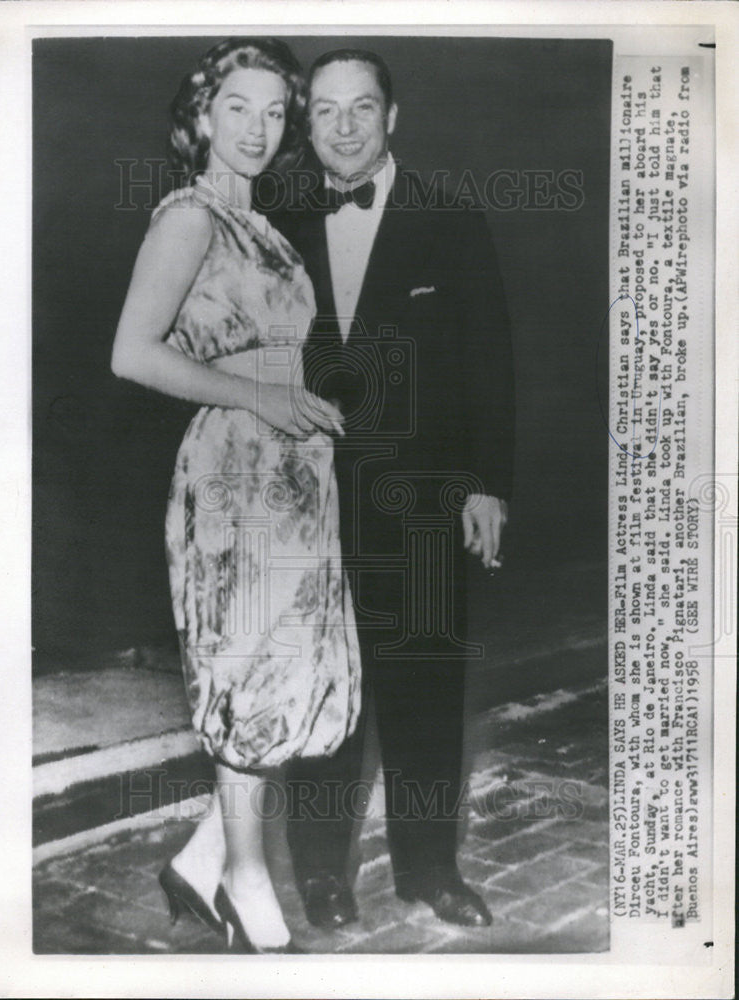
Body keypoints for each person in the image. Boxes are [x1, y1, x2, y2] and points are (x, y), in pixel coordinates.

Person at [110, 38, 361, 953]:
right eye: (240, 109)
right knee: (245, 674)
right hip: (234, 476)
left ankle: (199, 858)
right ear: (203, 117)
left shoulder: (262, 223)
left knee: (283, 676)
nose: (260, 130)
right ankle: (244, 881)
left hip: (292, 473)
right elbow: (131, 354)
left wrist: (311, 403)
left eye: (274, 112)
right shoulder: (189, 215)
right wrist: (265, 397)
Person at [278, 49, 515, 930]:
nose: (344, 128)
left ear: (394, 116)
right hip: (307, 500)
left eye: (362, 108)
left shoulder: (448, 217)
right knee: (323, 691)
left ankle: (428, 869)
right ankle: (321, 875)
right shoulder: (274, 218)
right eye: (326, 111)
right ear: (306, 122)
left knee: (422, 680)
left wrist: (488, 484)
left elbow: (490, 360)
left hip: (423, 497)